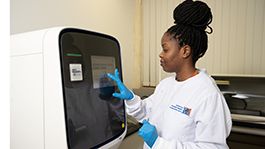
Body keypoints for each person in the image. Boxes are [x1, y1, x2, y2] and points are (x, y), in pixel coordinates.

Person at [107, 0, 232, 148]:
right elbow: (147, 112)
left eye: (165, 49)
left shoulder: (207, 94)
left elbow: (214, 147)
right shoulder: (166, 85)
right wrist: (131, 98)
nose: (160, 54)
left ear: (185, 51)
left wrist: (158, 143)